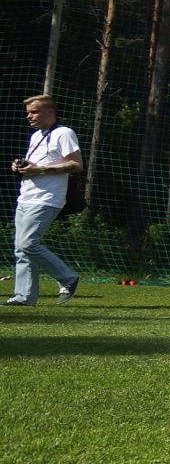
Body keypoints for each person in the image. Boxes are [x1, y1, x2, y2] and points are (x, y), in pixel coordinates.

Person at [7, 94, 83, 306]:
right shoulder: (37, 136)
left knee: (28, 243)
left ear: (50, 112)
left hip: (47, 199)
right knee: (20, 249)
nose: (29, 117)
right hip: (26, 197)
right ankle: (24, 297)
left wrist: (39, 169)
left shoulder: (64, 133)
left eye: (34, 112)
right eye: (28, 113)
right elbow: (38, 164)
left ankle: (67, 277)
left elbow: (76, 165)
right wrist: (21, 166)